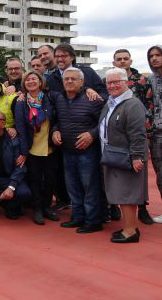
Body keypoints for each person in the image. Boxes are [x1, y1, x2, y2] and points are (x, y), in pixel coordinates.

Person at [52, 67, 104, 234]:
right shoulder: (59, 98)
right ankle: (78, 217)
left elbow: (104, 123)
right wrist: (55, 130)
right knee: (73, 187)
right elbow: (57, 120)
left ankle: (93, 221)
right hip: (67, 151)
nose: (69, 81)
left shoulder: (93, 99)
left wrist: (92, 134)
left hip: (87, 152)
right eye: (66, 79)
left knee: (90, 188)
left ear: (82, 82)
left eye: (73, 79)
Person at [98, 68, 148, 243]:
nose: (112, 85)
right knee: (123, 194)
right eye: (109, 82)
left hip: (127, 157)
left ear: (125, 82)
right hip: (114, 156)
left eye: (116, 82)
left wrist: (137, 157)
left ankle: (130, 232)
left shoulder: (132, 104)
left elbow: (138, 134)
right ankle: (130, 227)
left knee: (127, 195)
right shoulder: (110, 102)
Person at [108, 49, 154, 224]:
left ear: (131, 61)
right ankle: (115, 207)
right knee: (119, 175)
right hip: (119, 134)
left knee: (138, 174)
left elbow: (149, 105)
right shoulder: (111, 81)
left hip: (138, 130)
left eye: (125, 59)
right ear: (114, 62)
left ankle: (142, 208)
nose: (122, 61)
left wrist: (147, 133)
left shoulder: (142, 80)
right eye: (118, 59)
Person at [14, 72, 59, 225]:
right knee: (35, 179)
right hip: (32, 147)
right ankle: (37, 208)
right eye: (27, 79)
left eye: (34, 79)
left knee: (51, 179)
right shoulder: (20, 101)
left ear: (41, 82)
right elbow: (20, 126)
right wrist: (24, 151)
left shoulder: (50, 97)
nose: (31, 82)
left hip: (49, 145)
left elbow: (58, 117)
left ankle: (47, 207)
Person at [147, 45, 162, 223]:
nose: (155, 59)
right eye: (151, 56)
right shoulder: (149, 80)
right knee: (160, 173)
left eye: (158, 55)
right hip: (156, 133)